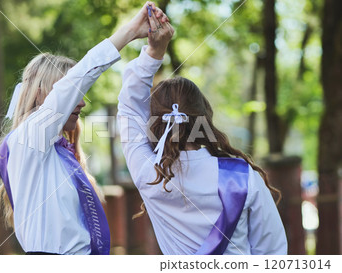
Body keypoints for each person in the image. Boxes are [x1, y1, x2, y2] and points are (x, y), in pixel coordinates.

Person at [0, 2, 163, 255]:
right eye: (73, 94)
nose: (81, 101)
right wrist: (129, 32)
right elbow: (78, 79)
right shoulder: (28, 139)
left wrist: (154, 53)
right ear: (40, 95)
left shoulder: (60, 154)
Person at [117, 11, 288, 255]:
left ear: (154, 125)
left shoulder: (149, 175)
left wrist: (154, 53)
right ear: (204, 118)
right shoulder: (244, 177)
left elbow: (129, 108)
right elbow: (272, 253)